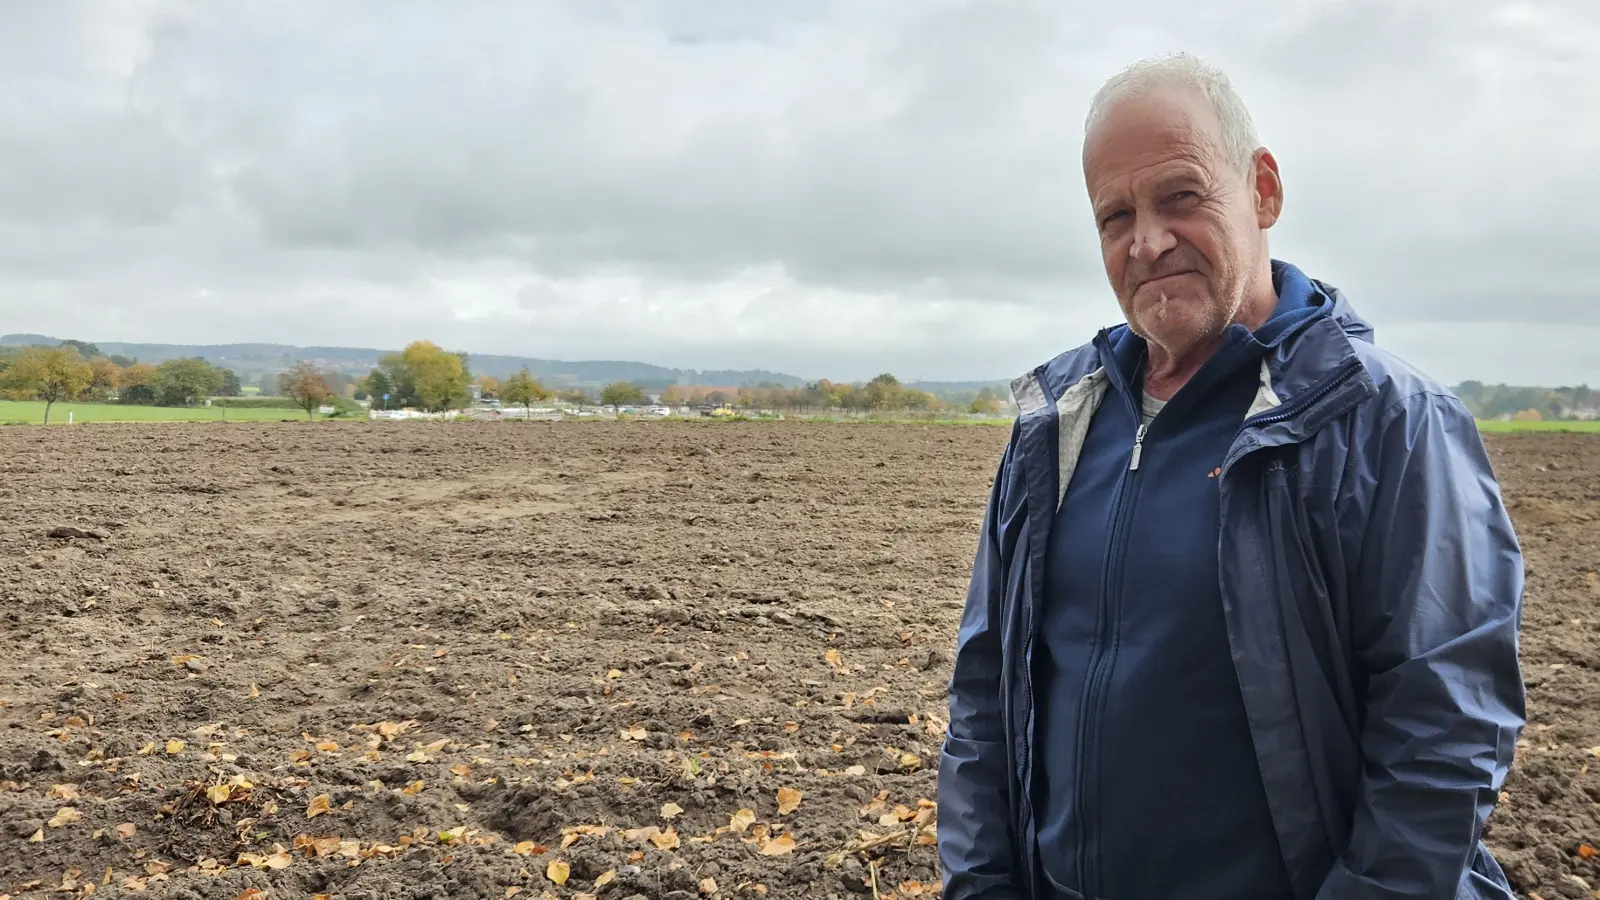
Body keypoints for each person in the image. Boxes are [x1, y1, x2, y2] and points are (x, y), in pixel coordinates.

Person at [936, 53, 1526, 900]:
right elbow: (986, 699)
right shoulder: (1054, 424)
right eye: (1115, 215)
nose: (1147, 240)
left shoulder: (1387, 423)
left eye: (1180, 196)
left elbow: (1443, 740)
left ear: (1263, 191)